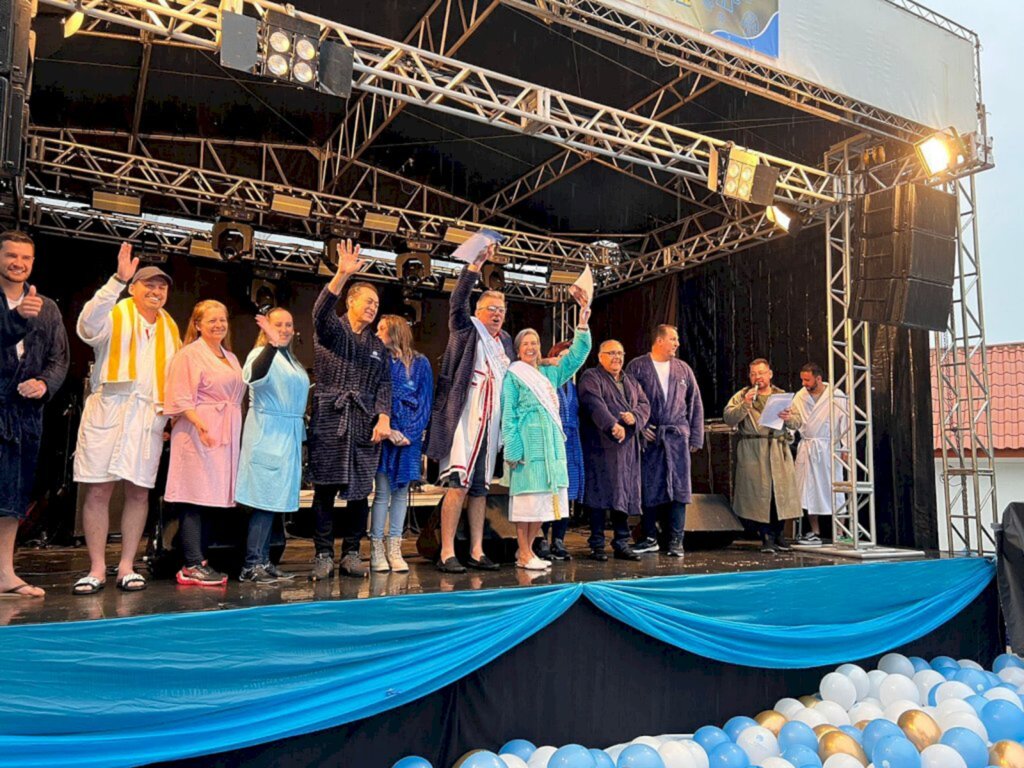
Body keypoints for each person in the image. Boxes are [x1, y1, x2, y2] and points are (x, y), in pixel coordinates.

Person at [73, 243, 180, 595]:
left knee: (138, 492)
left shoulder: (170, 328)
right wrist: (114, 282)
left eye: (162, 286)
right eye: (148, 284)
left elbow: (176, 378)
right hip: (111, 406)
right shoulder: (115, 313)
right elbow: (86, 327)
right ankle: (96, 567)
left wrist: (170, 419)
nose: (156, 291)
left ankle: (126, 566)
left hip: (147, 415)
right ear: (133, 287)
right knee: (99, 489)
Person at [425, 244, 514, 574]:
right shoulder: (466, 329)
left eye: (501, 310)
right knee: (458, 484)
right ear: (479, 312)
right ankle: (447, 551)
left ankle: (476, 550)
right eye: (491, 308)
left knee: (480, 489)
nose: (496, 314)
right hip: (464, 420)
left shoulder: (503, 343)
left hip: (491, 425)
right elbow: (457, 302)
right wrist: (474, 266)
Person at [308, 240, 392, 580]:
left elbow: (385, 384)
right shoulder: (332, 331)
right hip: (331, 418)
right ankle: (323, 554)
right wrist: (342, 273)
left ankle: (352, 553)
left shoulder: (377, 346)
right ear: (350, 301)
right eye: (367, 301)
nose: (373, 307)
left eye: (377, 303)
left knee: (360, 492)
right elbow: (319, 313)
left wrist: (384, 416)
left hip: (364, 421)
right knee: (325, 489)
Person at [0, 230, 68, 598]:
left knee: (13, 497)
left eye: (25, 258)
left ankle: (5, 573)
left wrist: (44, 384)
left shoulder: (47, 307)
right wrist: (17, 321)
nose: (19, 263)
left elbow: (60, 359)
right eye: (11, 255)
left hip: (26, 416)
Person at [501, 305, 591, 570]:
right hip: (528, 445)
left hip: (552, 445)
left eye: (535, 342)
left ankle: (527, 552)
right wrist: (514, 449)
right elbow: (509, 415)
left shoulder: (550, 373)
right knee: (527, 501)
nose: (531, 347)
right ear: (518, 350)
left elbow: (576, 357)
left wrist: (583, 326)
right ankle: (524, 551)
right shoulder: (513, 376)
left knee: (542, 504)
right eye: (526, 343)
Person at [163, 300, 245, 586]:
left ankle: (201, 559)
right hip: (199, 431)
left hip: (225, 433)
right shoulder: (188, 355)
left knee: (211, 498)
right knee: (194, 496)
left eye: (223, 319)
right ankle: (191, 564)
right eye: (212, 320)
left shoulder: (230, 357)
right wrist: (200, 424)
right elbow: (179, 395)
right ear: (197, 324)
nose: (219, 325)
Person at [235, 308, 310, 583]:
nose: (286, 329)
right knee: (263, 502)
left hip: (287, 435)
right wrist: (271, 345)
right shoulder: (261, 354)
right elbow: (253, 376)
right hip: (268, 433)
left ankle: (264, 561)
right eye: (279, 324)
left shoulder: (291, 360)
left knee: (273, 503)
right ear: (265, 328)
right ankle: (251, 564)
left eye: (289, 324)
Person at [625, 325, 704, 558]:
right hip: (650, 438)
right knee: (649, 487)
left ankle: (676, 540)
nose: (677, 343)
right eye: (673, 339)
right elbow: (628, 401)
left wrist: (695, 435)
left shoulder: (683, 370)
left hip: (676, 436)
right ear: (659, 340)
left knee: (680, 490)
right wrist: (640, 426)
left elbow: (695, 403)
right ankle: (649, 537)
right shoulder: (637, 366)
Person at [370, 314, 433, 573]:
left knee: (400, 495)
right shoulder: (378, 361)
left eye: (382, 329)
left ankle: (395, 548)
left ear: (395, 331)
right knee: (382, 492)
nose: (376, 333)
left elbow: (426, 401)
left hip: (409, 438)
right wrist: (389, 429)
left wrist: (410, 432)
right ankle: (376, 549)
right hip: (385, 433)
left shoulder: (421, 363)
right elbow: (374, 396)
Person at [578, 340, 650, 561]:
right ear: (600, 357)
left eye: (620, 353)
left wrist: (635, 416)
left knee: (624, 494)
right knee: (600, 495)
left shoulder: (630, 380)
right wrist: (612, 424)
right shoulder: (591, 377)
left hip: (628, 448)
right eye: (611, 353)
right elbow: (593, 403)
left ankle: (621, 542)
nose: (617, 357)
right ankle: (597, 544)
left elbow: (645, 404)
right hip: (602, 445)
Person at [723, 358, 803, 553]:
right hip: (754, 450)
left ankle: (779, 534)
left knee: (780, 494)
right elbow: (729, 417)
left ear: (770, 374)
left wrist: (789, 418)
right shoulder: (743, 395)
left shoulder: (782, 396)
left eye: (760, 373)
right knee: (760, 495)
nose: (757, 377)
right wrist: (745, 405)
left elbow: (798, 421)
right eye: (753, 374)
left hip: (778, 448)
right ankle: (765, 536)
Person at [534, 339, 585, 562]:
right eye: (562, 357)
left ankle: (559, 540)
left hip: (571, 443)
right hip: (551, 441)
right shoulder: (544, 380)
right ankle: (541, 539)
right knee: (548, 491)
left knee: (566, 493)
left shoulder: (573, 386)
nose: (566, 362)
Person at [791, 362, 848, 546]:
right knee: (808, 491)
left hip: (829, 447)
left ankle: (840, 532)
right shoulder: (799, 397)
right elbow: (794, 420)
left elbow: (845, 422)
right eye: (802, 380)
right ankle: (814, 531)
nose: (804, 383)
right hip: (808, 446)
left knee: (836, 489)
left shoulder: (836, 395)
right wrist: (789, 436)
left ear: (818, 378)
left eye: (807, 380)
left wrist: (846, 447)